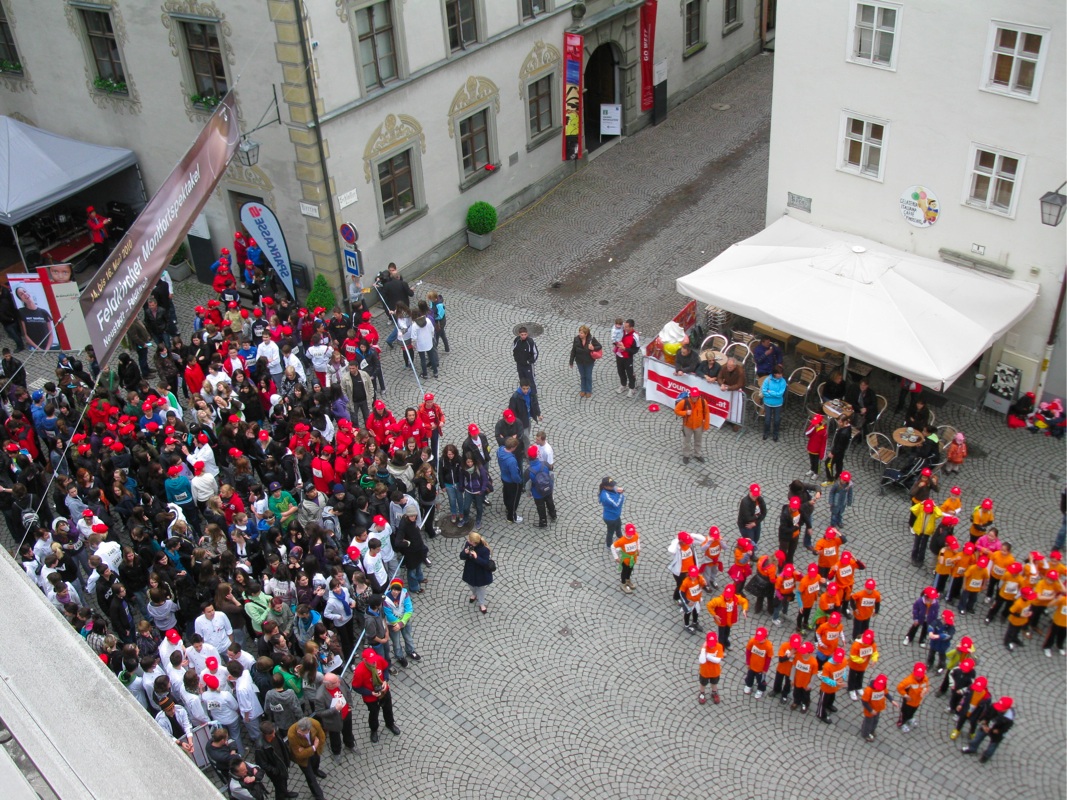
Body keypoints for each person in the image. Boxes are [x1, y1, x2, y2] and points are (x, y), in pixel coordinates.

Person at [350, 647, 400, 743]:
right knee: (373, 713)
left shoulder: (379, 659)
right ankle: (374, 730)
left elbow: (385, 669)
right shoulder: (359, 671)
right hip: (370, 698)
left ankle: (390, 724)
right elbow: (356, 687)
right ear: (364, 660)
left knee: (388, 708)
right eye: (371, 661)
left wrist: (385, 680)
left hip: (384, 691)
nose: (373, 663)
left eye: (374, 660)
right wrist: (370, 693)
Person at [313, 672, 357, 757]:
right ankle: (336, 752)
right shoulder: (320, 696)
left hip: (346, 714)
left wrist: (350, 704)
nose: (339, 681)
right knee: (334, 737)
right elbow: (319, 712)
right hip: (333, 720)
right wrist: (335, 709)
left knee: (348, 731)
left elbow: (347, 692)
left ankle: (350, 744)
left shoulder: (338, 679)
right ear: (329, 685)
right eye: (336, 682)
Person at [961, 696, 1014, 762]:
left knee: (993, 745)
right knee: (978, 737)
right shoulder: (994, 706)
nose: (998, 709)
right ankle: (972, 748)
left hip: (997, 732)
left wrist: (997, 731)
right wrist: (984, 723)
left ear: (1007, 709)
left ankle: (986, 756)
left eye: (1001, 709)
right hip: (987, 725)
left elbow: (1005, 728)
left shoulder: (1009, 718)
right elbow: (986, 714)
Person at [254, 720, 296, 800]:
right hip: (276, 771)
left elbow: (282, 744)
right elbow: (262, 764)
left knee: (284, 781)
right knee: (279, 788)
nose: (274, 735)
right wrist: (275, 770)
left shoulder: (275, 732)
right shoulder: (260, 747)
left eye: (273, 732)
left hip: (283, 763)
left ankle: (285, 792)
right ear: (265, 734)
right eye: (271, 734)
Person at [287, 717, 327, 800]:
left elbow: (322, 737)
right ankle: (319, 796)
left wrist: (309, 750)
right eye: (298, 731)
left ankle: (316, 770)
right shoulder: (292, 733)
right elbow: (299, 754)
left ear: (308, 730)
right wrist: (314, 747)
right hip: (303, 760)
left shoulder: (315, 724)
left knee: (316, 762)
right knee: (310, 777)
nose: (299, 734)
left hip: (314, 752)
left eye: (302, 733)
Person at [383, 578, 420, 666]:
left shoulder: (404, 594)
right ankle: (399, 656)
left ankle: (410, 651)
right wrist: (399, 623)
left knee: (408, 637)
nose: (396, 592)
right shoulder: (385, 599)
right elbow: (389, 615)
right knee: (396, 642)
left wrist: (401, 623)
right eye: (394, 589)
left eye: (398, 590)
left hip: (404, 621)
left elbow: (409, 610)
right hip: (393, 624)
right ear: (391, 588)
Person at [460, 532, 494, 614]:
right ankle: (474, 594)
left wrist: (476, 557)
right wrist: (465, 553)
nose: (467, 540)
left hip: (480, 573)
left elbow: (485, 563)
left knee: (481, 588)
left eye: (469, 540)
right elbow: (461, 556)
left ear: (474, 542)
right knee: (470, 585)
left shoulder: (484, 549)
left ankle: (482, 603)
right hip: (470, 571)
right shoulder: (469, 544)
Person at [674, 388, 710, 465]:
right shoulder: (684, 401)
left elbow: (706, 413)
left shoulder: (703, 402)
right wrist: (685, 412)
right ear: (690, 395)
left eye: (696, 396)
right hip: (687, 425)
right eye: (693, 396)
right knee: (686, 441)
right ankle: (686, 455)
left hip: (699, 426)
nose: (694, 398)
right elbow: (676, 411)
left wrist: (706, 425)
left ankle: (698, 454)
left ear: (698, 396)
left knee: (698, 441)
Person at [15, 286, 55, 350]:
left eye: (24, 291)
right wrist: (38, 349)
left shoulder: (43, 312)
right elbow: (25, 335)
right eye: (21, 294)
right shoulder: (21, 312)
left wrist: (47, 349)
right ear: (21, 299)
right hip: (34, 348)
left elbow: (51, 334)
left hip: (47, 347)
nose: (25, 294)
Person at [859, 674, 895, 743]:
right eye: (877, 686)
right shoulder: (869, 690)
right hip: (870, 711)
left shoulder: (883, 688)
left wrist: (892, 700)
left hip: (878, 709)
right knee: (868, 722)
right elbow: (864, 701)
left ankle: (871, 730)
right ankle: (865, 734)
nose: (878, 688)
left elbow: (886, 694)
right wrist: (871, 710)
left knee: (875, 720)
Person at [526, 445, 556, 528]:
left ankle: (543, 522)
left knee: (540, 506)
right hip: (548, 488)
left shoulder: (528, 472)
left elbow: (527, 486)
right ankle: (553, 515)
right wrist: (551, 486)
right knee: (550, 501)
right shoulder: (545, 464)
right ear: (537, 454)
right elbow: (552, 475)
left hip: (537, 493)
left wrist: (529, 494)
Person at [569, 325, 602, 398]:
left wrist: (593, 348)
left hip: (589, 362)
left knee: (588, 376)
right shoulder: (576, 339)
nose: (580, 334)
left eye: (581, 333)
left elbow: (599, 346)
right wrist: (571, 361)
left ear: (586, 334)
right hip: (579, 361)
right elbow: (573, 351)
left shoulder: (591, 339)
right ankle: (583, 389)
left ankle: (588, 390)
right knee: (583, 376)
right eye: (579, 332)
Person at [895, 662, 929, 733]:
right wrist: (905, 695)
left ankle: (910, 718)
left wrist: (925, 691)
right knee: (904, 713)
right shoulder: (909, 681)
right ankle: (901, 723)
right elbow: (899, 687)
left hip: (917, 701)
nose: (918, 677)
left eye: (920, 675)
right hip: (908, 702)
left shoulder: (925, 679)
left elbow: (926, 686)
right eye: (917, 675)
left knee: (912, 711)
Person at [743, 627, 773, 698]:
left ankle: (760, 689)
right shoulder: (752, 641)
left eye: (761, 639)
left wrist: (765, 669)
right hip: (752, 665)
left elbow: (768, 659)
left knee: (761, 680)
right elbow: (748, 651)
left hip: (761, 668)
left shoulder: (768, 646)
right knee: (750, 676)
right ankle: (749, 685)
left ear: (765, 637)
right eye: (758, 638)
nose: (759, 640)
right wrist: (748, 662)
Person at [613, 319, 640, 397]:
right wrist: (616, 344)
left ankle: (632, 388)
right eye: (624, 326)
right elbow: (614, 339)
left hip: (628, 358)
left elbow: (635, 350)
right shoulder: (621, 331)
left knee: (630, 373)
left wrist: (625, 349)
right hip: (619, 355)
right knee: (620, 371)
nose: (624, 328)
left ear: (631, 327)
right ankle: (623, 385)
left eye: (627, 327)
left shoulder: (635, 336)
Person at [697, 631, 725, 705]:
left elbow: (717, 660)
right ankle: (702, 693)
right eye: (710, 644)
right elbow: (702, 661)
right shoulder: (704, 648)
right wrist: (703, 649)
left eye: (713, 644)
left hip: (715, 671)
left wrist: (707, 656)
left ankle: (714, 692)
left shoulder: (719, 646)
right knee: (703, 684)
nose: (711, 646)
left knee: (714, 683)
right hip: (705, 671)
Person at [611, 523, 640, 594]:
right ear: (625, 532)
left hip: (633, 558)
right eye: (629, 534)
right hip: (626, 560)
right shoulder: (622, 540)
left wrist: (638, 548)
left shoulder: (635, 535)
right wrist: (616, 557)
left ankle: (628, 580)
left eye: (631, 533)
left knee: (630, 569)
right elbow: (613, 547)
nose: (630, 535)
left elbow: (637, 540)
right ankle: (623, 583)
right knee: (624, 571)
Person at [761, 366, 787, 442]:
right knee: (767, 419)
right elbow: (764, 391)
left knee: (776, 420)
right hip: (768, 403)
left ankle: (775, 434)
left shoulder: (783, 381)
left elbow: (780, 394)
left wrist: (770, 392)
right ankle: (766, 432)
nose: (780, 375)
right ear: (775, 374)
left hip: (778, 404)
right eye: (779, 374)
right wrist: (774, 394)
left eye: (781, 373)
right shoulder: (768, 380)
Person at [598, 477, 624, 549]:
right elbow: (617, 504)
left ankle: (620, 536)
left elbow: (615, 488)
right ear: (605, 486)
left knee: (618, 525)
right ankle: (609, 545)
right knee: (610, 531)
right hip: (610, 518)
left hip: (616, 515)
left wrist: (618, 490)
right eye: (611, 486)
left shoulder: (610, 489)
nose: (613, 486)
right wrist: (620, 494)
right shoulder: (605, 496)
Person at [512, 325, 539, 391]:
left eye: (525, 334)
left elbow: (535, 353)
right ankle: (523, 392)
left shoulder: (530, 342)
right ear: (519, 334)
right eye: (522, 335)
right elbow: (514, 349)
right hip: (519, 364)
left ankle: (533, 393)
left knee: (531, 379)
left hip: (528, 366)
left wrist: (529, 362)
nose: (523, 336)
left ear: (527, 334)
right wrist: (516, 359)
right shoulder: (516, 340)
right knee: (522, 379)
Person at [804, 414, 828, 480]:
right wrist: (812, 427)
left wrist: (822, 454)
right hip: (811, 448)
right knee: (812, 461)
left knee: (817, 463)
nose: (814, 424)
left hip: (817, 452)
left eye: (815, 423)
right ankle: (812, 469)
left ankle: (816, 473)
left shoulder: (824, 432)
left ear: (820, 423)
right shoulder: (814, 428)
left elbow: (824, 444)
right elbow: (807, 434)